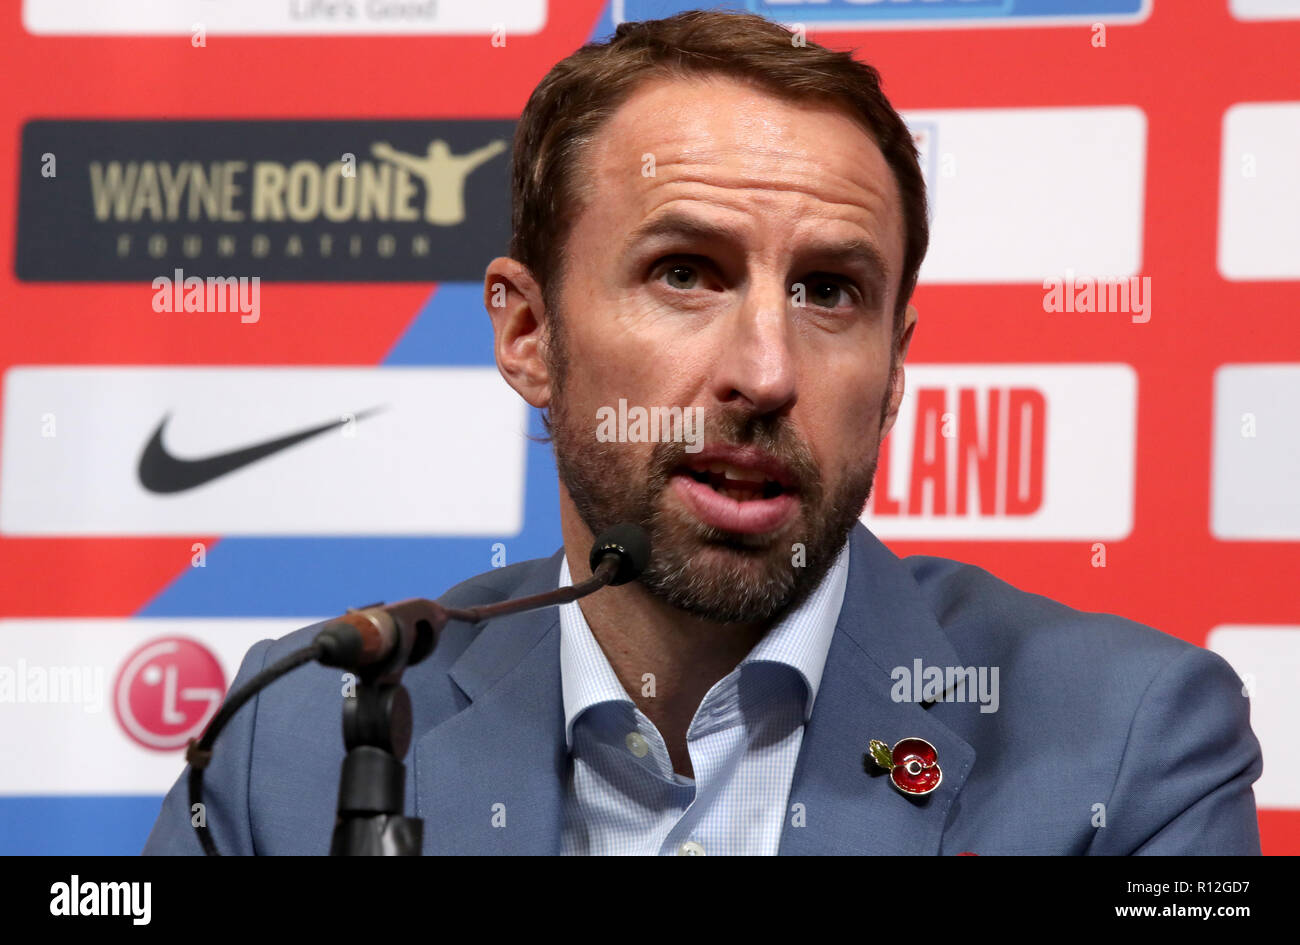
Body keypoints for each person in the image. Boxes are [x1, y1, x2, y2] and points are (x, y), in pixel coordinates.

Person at [144, 9, 1262, 855]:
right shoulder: (299, 742)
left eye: (829, 293)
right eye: (685, 273)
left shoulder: (1133, 738)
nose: (766, 374)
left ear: (893, 369)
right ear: (528, 332)